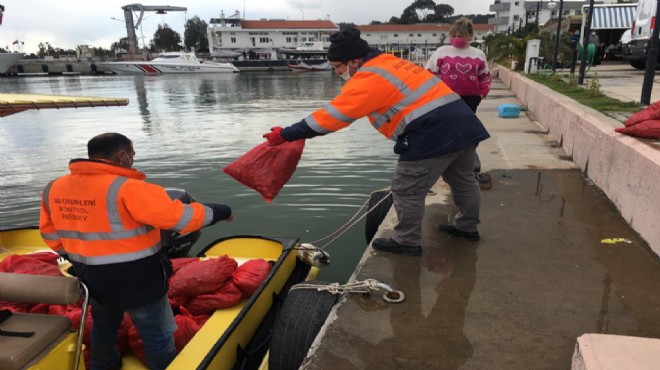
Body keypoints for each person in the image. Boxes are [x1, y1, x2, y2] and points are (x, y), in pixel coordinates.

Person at [263, 27, 490, 256]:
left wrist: (286, 134)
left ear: (353, 61)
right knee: (464, 180)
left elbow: (331, 117)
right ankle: (467, 227)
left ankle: (407, 242)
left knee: (406, 189)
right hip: (463, 122)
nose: (337, 73)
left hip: (432, 132)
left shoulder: (369, 78)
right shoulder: (390, 61)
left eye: (337, 68)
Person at [39, 132, 233, 370]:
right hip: (138, 278)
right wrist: (220, 211)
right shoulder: (130, 188)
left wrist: (76, 258)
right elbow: (179, 218)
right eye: (132, 153)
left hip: (92, 277)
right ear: (122, 155)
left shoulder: (54, 188)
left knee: (103, 327)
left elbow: (49, 233)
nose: (133, 158)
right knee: (156, 334)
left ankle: (104, 366)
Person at [425, 17, 492, 189]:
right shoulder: (441, 52)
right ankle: (448, 168)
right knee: (446, 132)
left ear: (470, 36)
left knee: (467, 134)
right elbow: (428, 74)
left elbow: (484, 76)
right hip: (445, 99)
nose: (457, 38)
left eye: (461, 35)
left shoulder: (478, 54)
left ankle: (470, 168)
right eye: (454, 34)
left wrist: (483, 92)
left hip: (470, 99)